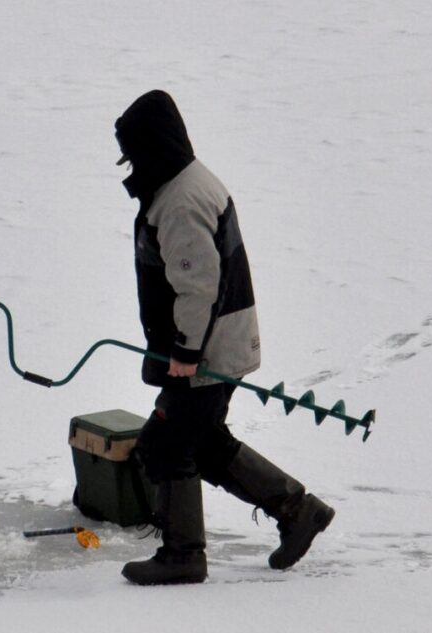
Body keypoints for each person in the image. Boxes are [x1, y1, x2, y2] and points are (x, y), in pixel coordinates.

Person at [115, 90, 335, 585]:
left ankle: (183, 556)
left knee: (167, 446)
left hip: (207, 349)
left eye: (134, 153)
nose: (130, 165)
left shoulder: (181, 201)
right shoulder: (182, 183)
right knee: (203, 443)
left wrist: (186, 352)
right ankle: (299, 511)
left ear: (154, 145)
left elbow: (198, 286)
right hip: (216, 342)